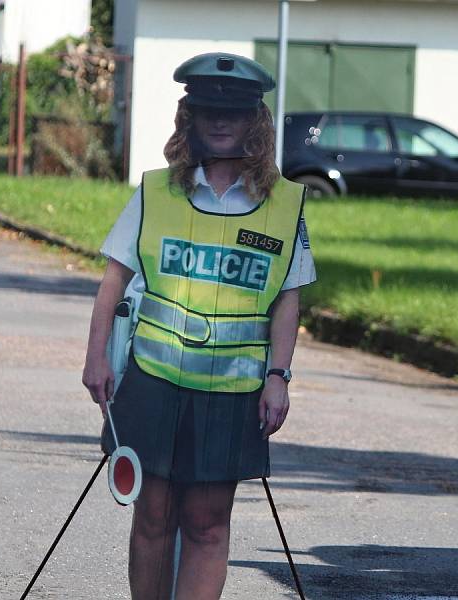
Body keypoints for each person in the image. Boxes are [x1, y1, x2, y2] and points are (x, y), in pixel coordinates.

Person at [82, 52, 315, 599]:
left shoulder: (284, 205)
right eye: (206, 110)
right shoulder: (156, 191)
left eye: (231, 112)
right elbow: (113, 281)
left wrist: (278, 376)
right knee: (154, 519)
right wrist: (96, 359)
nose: (219, 121)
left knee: (208, 523)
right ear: (189, 118)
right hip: (154, 383)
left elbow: (287, 300)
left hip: (232, 393)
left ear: (254, 121)